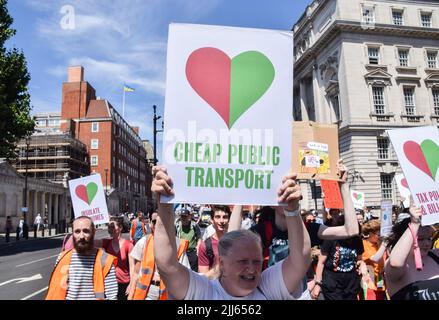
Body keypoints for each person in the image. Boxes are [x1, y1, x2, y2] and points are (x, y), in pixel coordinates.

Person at [152, 165, 311, 300]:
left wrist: (292, 210)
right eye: (242, 261)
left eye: (256, 261)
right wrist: (165, 203)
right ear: (222, 264)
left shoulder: (266, 287)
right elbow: (167, 266)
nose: (251, 268)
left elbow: (300, 260)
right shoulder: (205, 292)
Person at [46, 216, 118, 300]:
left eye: (86, 231)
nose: (81, 236)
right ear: (72, 233)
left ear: (94, 232)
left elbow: (112, 296)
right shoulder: (62, 257)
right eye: (77, 231)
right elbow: (56, 290)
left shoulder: (105, 259)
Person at [128, 212, 190, 300]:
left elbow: (186, 276)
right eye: (155, 222)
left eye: (163, 221)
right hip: (148, 292)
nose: (159, 225)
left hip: (170, 292)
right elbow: (136, 273)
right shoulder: (144, 242)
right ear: (150, 224)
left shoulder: (178, 244)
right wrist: (130, 296)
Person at [384, 205, 439, 300]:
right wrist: (414, 224)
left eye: (429, 238)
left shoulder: (435, 256)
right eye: (420, 239)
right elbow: (396, 263)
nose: (427, 243)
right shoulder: (397, 265)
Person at [311, 212, 364, 300]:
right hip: (332, 283)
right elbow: (321, 262)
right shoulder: (331, 238)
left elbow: (359, 259)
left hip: (351, 284)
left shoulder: (357, 240)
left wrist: (362, 265)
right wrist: (317, 284)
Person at [95, 216, 134, 300]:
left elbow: (132, 267)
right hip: (109, 282)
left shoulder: (128, 245)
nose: (109, 229)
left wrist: (131, 285)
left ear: (120, 228)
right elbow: (91, 242)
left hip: (124, 283)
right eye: (108, 227)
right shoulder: (107, 242)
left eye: (112, 227)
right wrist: (91, 229)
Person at [198, 205, 231, 279]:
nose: (221, 221)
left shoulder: (237, 242)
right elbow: (203, 278)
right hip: (214, 288)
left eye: (225, 217)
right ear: (212, 220)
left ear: (229, 220)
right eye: (218, 217)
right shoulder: (205, 245)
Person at [360, 219, 387, 300]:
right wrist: (384, 244)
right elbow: (375, 259)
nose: (381, 237)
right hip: (369, 282)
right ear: (371, 234)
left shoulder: (379, 244)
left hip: (380, 280)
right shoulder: (364, 244)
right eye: (379, 234)